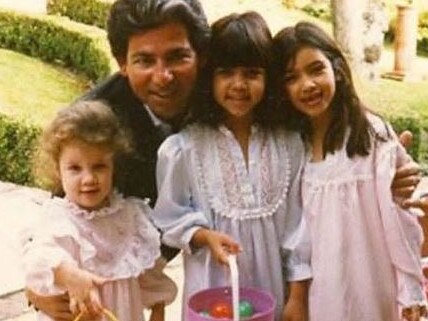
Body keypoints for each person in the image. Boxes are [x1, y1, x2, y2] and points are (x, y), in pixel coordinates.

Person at [27, 0, 420, 318]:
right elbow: (59, 212)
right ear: (121, 63)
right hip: (177, 281)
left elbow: (327, 114)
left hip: (276, 287)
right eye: (145, 60)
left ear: (201, 57)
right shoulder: (99, 125)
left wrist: (386, 167)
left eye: (177, 57)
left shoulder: (279, 132)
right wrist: (40, 283)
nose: (163, 76)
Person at [152, 12, 311, 321]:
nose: (239, 84)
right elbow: (170, 218)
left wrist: (298, 296)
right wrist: (203, 236)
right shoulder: (185, 148)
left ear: (269, 77)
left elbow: (300, 229)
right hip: (210, 295)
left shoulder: (290, 146)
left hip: (276, 296)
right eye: (226, 73)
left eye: (251, 73)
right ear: (209, 77)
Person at [272, 21, 427, 321]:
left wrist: (410, 288)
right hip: (323, 294)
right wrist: (298, 297)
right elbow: (298, 234)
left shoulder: (369, 135)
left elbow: (399, 217)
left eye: (316, 69)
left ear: (337, 70)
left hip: (371, 288)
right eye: (292, 78)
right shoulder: (295, 147)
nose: (307, 85)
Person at [21, 100, 177, 321]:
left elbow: (148, 274)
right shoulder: (59, 219)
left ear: (113, 166)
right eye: (75, 168)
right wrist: (68, 274)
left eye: (99, 166)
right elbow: (38, 259)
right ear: (58, 170)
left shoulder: (131, 216)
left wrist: (158, 309)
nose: (89, 179)